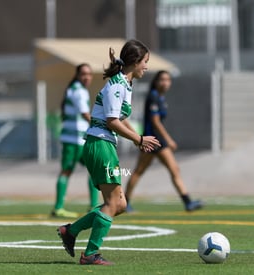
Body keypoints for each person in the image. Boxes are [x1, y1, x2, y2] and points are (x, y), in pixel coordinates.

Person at [57, 39, 161, 265]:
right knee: (113, 203)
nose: (146, 66)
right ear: (134, 62)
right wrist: (139, 138)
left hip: (104, 145)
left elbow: (120, 119)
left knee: (119, 205)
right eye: (145, 61)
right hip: (100, 144)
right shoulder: (117, 85)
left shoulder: (124, 83)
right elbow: (112, 121)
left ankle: (71, 231)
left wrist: (138, 140)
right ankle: (90, 254)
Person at [124, 70, 203, 212]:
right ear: (156, 82)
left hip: (157, 141)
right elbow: (155, 122)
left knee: (173, 170)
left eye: (168, 80)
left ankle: (187, 202)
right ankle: (125, 202)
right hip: (152, 140)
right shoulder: (153, 97)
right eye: (162, 80)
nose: (165, 83)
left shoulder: (160, 97)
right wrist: (169, 140)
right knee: (139, 171)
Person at [51, 63, 99, 218]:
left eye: (89, 74)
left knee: (92, 169)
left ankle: (93, 206)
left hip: (79, 139)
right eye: (84, 74)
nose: (87, 77)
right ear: (78, 76)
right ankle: (59, 208)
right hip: (73, 140)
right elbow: (85, 114)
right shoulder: (79, 91)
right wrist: (101, 127)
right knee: (67, 171)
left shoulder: (77, 90)